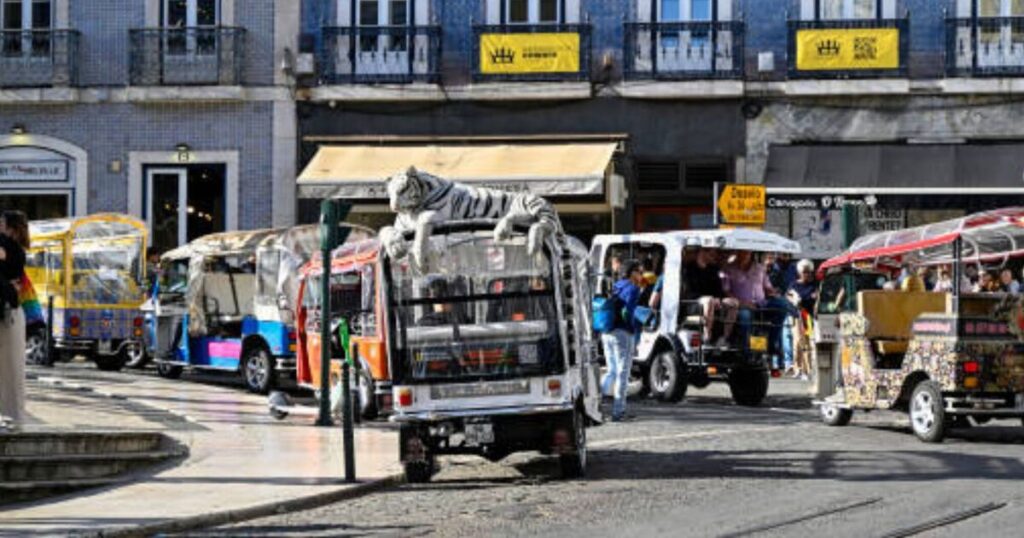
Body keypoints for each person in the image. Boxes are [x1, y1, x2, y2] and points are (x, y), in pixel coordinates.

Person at [722, 250, 787, 356]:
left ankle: (771, 344)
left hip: (761, 304)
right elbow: (726, 291)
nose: (744, 255)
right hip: (741, 306)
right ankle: (746, 350)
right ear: (737, 253)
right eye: (742, 252)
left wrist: (773, 292)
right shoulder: (728, 269)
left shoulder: (759, 268)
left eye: (747, 253)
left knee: (782, 305)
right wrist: (742, 303)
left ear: (750, 253)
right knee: (745, 316)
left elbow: (767, 287)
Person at [600, 260, 643, 422]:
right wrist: (634, 330)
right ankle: (619, 412)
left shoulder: (616, 285)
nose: (640, 275)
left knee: (611, 371)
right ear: (632, 272)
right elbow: (628, 313)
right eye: (639, 271)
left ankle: (599, 405)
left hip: (607, 331)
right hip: (622, 333)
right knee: (623, 373)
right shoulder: (633, 288)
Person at [0, 210, 29, 430]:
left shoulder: (8, 247)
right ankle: (14, 416)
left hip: (7, 312)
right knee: (11, 369)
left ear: (10, 227)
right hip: (11, 310)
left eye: (1, 222)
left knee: (10, 368)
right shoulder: (16, 249)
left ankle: (13, 416)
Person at [684, 248, 736, 346]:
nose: (714, 256)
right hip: (693, 303)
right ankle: (707, 336)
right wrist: (711, 299)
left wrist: (719, 299)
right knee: (709, 301)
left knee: (733, 303)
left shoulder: (713, 269)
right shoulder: (689, 269)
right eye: (711, 254)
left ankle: (724, 338)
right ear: (702, 252)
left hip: (712, 301)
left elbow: (718, 290)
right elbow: (689, 292)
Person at [785, 259, 817, 379]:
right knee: (798, 341)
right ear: (799, 272)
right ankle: (798, 368)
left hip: (809, 316)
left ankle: (807, 369)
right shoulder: (794, 285)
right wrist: (796, 300)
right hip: (795, 316)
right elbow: (788, 297)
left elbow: (814, 298)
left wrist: (803, 300)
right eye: (804, 272)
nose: (807, 274)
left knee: (808, 342)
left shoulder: (814, 285)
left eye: (809, 271)